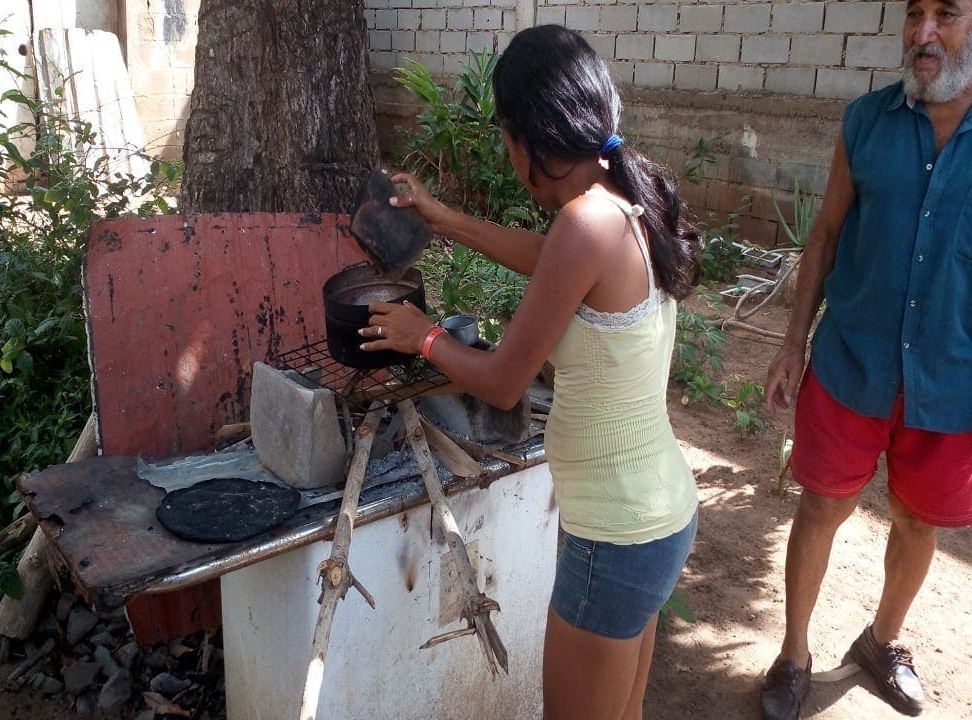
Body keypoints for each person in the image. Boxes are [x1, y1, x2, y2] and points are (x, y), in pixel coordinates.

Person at [358, 25, 701, 720]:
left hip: (616, 536)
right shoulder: (622, 202)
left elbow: (502, 381)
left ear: (526, 141)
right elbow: (548, 259)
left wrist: (419, 336)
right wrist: (441, 218)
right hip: (652, 519)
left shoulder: (586, 225)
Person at [759, 1, 972, 718]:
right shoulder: (866, 123)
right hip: (855, 363)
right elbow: (822, 236)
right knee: (822, 505)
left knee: (920, 519)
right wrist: (793, 342)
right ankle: (793, 653)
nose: (925, 33)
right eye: (915, 15)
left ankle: (881, 643)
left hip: (952, 377)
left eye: (947, 14)